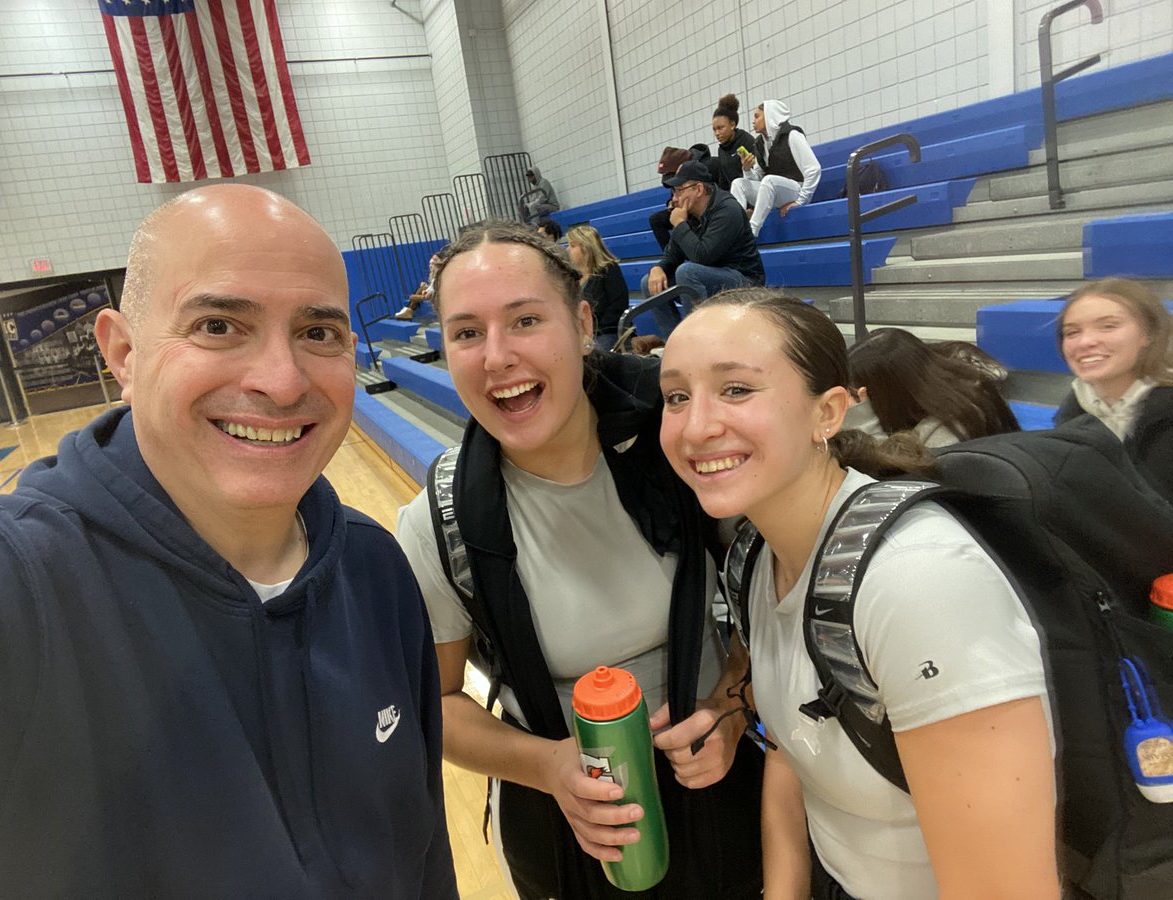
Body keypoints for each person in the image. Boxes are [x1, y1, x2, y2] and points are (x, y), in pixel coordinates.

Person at [0, 185, 457, 898]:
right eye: (219, 326)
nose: (282, 383)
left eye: (317, 333)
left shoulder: (375, 567)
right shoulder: (7, 590)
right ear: (123, 352)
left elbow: (425, 856)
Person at [395, 220, 764, 899]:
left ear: (583, 323)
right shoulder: (440, 521)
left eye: (525, 320)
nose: (497, 356)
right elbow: (438, 702)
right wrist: (548, 768)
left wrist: (732, 702)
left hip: (721, 789)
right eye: (467, 332)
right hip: (562, 828)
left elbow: (777, 596)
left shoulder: (679, 444)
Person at [658, 289, 1059, 900]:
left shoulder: (919, 582)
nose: (696, 426)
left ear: (828, 412)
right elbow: (793, 745)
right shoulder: (756, 556)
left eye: (736, 389)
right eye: (676, 396)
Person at [1054, 277, 1173, 502]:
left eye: (1108, 326)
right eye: (1072, 332)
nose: (1085, 342)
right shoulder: (1071, 415)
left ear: (1149, 334)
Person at [640, 160, 764, 338]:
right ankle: (675, 341)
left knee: (687, 272)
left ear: (698, 189)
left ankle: (697, 339)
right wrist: (658, 268)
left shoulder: (727, 210)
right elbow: (672, 255)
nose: (674, 199)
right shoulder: (689, 214)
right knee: (650, 281)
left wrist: (680, 224)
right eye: (674, 192)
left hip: (745, 281)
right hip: (712, 277)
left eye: (679, 191)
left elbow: (703, 256)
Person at [844, 327, 1020, 448]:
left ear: (891, 393)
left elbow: (900, 483)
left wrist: (864, 422)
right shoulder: (936, 380)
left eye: (857, 395)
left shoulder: (950, 429)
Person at [729, 99, 822, 238]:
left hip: (796, 189)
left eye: (757, 116)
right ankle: (737, 230)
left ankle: (751, 232)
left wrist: (801, 201)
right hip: (774, 191)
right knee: (738, 183)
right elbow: (758, 180)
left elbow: (814, 169)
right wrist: (747, 170)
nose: (753, 121)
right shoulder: (759, 143)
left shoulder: (792, 135)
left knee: (769, 180)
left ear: (769, 115)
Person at [567, 224, 629, 351]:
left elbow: (618, 306)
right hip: (580, 333)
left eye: (572, 246)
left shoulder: (609, 269)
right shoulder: (571, 277)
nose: (567, 250)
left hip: (606, 331)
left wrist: (592, 332)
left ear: (586, 247)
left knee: (592, 355)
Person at [650, 143, 714, 251]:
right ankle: (671, 254)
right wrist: (671, 203)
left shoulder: (708, 166)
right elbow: (675, 195)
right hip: (687, 207)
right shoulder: (677, 175)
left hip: (703, 207)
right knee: (656, 219)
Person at [711, 94, 757, 195]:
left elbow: (759, 173)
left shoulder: (747, 141)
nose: (717, 133)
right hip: (734, 196)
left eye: (720, 128)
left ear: (732, 125)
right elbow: (723, 183)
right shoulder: (721, 150)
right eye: (714, 129)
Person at [395, 252, 442, 320]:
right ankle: (408, 310)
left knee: (412, 297)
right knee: (422, 288)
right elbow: (432, 286)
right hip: (430, 293)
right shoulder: (433, 275)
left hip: (434, 295)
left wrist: (426, 292)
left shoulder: (440, 276)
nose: (430, 266)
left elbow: (435, 288)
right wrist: (426, 287)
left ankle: (408, 310)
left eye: (432, 264)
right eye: (430, 264)